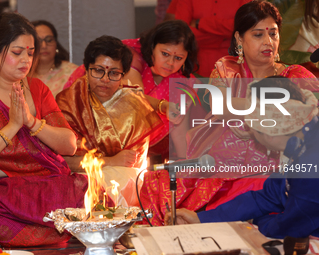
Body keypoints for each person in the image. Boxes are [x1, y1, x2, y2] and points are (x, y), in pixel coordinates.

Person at [140, 0, 319, 226]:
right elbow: (221, 106)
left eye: (273, 34)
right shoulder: (227, 69)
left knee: (248, 201)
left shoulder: (296, 74)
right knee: (157, 185)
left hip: (270, 164)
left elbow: (310, 119)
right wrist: (275, 108)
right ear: (239, 39)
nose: (268, 42)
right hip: (220, 158)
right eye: (257, 35)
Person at [0, 13, 87, 247]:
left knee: (98, 195)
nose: (26, 60)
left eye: (30, 53)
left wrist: (30, 121)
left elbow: (69, 145)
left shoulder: (37, 88)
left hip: (49, 188)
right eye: (17, 53)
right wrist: (11, 127)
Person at [165, 76, 319, 239]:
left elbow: (289, 227)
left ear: (268, 133)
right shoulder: (302, 143)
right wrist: (201, 218)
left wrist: (255, 222)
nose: (249, 131)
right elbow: (268, 195)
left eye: (251, 127)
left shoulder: (310, 163)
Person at [56, 35, 163, 206]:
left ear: (123, 74)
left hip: (122, 185)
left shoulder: (135, 106)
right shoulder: (68, 103)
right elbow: (60, 161)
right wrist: (109, 161)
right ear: (87, 69)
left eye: (113, 73)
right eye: (98, 70)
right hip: (75, 181)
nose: (105, 79)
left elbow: (133, 166)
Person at [122, 20, 198, 160]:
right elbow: (133, 95)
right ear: (152, 46)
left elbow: (179, 131)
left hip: (133, 149)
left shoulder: (182, 81)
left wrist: (186, 166)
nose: (170, 63)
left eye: (178, 58)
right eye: (165, 54)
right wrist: (163, 106)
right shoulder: (132, 56)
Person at [172, 0, 251, 77]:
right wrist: (223, 36)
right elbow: (181, 31)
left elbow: (242, 26)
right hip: (194, 63)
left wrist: (200, 23)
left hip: (234, 63)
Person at [32, 20, 78, 97]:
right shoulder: (21, 75)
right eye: (38, 41)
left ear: (56, 44)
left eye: (49, 40)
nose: (44, 46)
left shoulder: (72, 73)